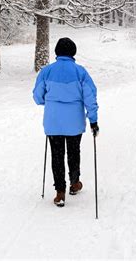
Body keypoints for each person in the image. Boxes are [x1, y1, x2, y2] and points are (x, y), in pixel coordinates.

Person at [33, 37, 99, 207]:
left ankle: (59, 192)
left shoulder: (46, 71)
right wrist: (93, 120)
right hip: (74, 122)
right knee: (73, 152)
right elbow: (90, 97)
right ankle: (75, 183)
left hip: (53, 121)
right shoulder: (80, 72)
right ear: (73, 52)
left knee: (56, 155)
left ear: (57, 52)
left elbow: (37, 96)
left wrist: (49, 102)